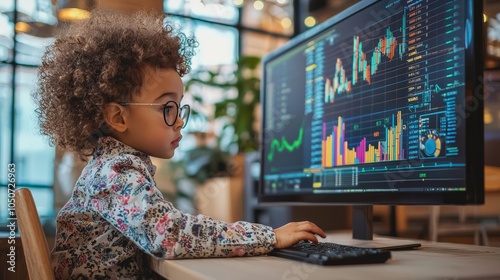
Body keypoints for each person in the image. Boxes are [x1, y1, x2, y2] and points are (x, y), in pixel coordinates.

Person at [35, 10, 326, 279]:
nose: (178, 121)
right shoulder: (115, 174)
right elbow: (169, 234)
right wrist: (270, 237)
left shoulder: (115, 169)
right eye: (167, 107)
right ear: (117, 116)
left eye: (179, 107)